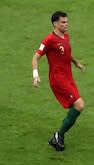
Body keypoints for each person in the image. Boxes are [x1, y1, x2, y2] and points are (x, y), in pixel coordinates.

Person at [32, 11, 86, 151]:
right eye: (63, 22)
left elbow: (66, 52)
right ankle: (58, 135)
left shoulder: (65, 36)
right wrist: (35, 75)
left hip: (68, 77)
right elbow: (35, 57)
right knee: (79, 105)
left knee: (75, 107)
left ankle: (58, 137)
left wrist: (76, 63)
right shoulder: (49, 40)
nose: (66, 24)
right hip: (58, 79)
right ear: (55, 23)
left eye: (67, 21)